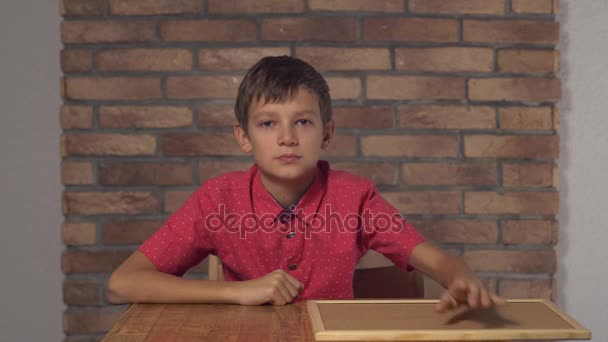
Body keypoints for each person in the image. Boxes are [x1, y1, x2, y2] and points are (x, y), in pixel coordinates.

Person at [106, 56, 505, 313]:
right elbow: (123, 283)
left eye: (303, 121)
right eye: (267, 123)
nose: (287, 138)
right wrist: (236, 292)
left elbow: (433, 259)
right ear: (244, 137)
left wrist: (459, 275)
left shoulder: (356, 196)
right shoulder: (218, 199)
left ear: (326, 133)